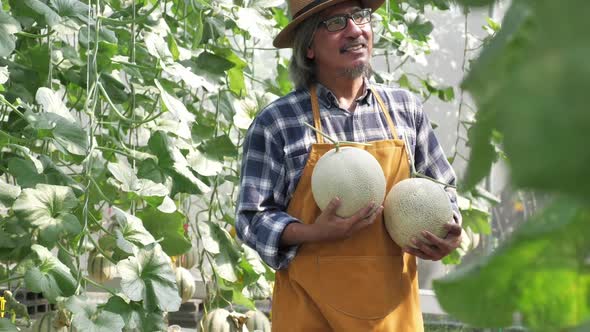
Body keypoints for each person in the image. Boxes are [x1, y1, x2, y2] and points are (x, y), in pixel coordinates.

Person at [235, 0, 463, 330]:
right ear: (309, 47)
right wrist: (314, 233)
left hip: (394, 320)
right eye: (336, 22)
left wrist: (450, 230)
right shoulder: (277, 122)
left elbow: (443, 189)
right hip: (309, 317)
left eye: (359, 16)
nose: (355, 30)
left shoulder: (405, 110)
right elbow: (252, 218)